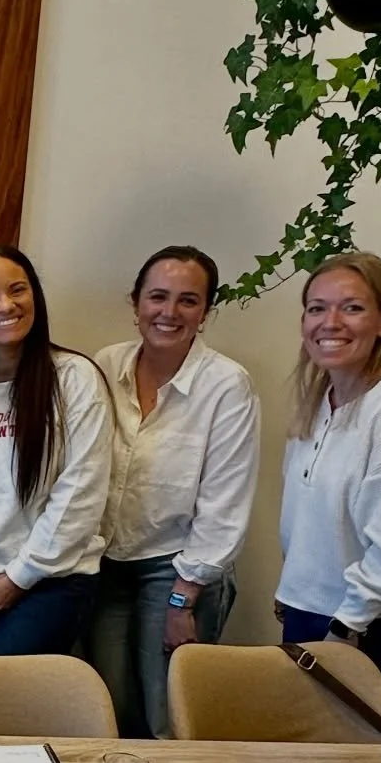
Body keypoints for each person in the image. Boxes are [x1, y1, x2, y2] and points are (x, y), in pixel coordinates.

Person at [88, 246, 260, 737]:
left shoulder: (226, 385)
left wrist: (184, 599)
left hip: (177, 570)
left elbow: (225, 503)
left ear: (205, 312)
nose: (169, 312)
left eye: (188, 300)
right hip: (106, 566)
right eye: (158, 297)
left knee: (167, 717)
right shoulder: (106, 365)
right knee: (110, 710)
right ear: (136, 302)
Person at [276, 252, 381, 712]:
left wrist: (344, 628)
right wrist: (292, 590)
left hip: (368, 628)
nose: (330, 322)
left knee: (348, 754)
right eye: (317, 308)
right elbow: (311, 522)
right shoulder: (320, 401)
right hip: (314, 614)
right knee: (305, 749)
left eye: (351, 308)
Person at [0, 246, 112, 656]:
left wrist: (19, 576)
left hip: (53, 580)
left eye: (18, 290)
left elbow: (80, 493)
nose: (6, 306)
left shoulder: (75, 379)